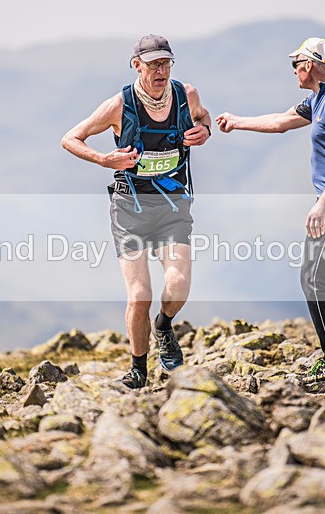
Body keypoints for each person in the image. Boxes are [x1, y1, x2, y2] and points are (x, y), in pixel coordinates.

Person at [216, 37, 325, 383]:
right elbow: (281, 121)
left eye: (295, 64)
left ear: (309, 64)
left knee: (314, 277)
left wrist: (323, 203)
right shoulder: (319, 97)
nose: (293, 70)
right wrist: (236, 121)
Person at [62, 34, 211, 389]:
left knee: (177, 283)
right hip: (129, 206)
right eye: (154, 64)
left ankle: (164, 325)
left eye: (166, 63)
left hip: (173, 205)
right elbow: (70, 138)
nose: (161, 71)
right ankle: (137, 370)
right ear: (137, 65)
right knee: (139, 293)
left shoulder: (186, 95)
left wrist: (204, 131)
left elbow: (204, 119)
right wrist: (103, 159)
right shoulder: (118, 105)